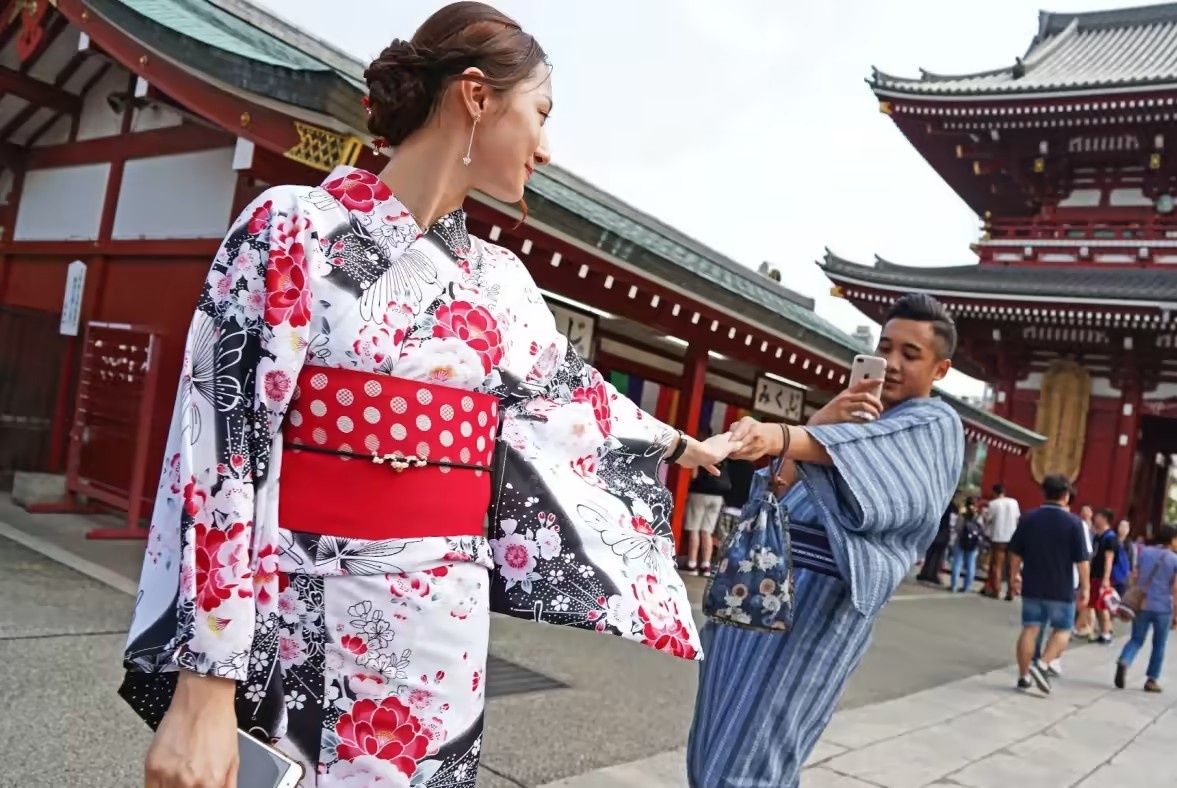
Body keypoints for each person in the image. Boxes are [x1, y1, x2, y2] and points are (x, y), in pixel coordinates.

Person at [120, 6, 739, 787]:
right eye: (540, 115)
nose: (546, 149)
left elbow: (573, 401)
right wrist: (204, 684)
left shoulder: (499, 281)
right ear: (476, 97)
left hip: (443, 622)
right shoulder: (293, 229)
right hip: (301, 613)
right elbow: (221, 450)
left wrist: (691, 446)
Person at [685, 293, 963, 787]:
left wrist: (787, 436)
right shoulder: (846, 425)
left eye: (910, 354)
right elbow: (776, 489)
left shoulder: (934, 424)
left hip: (818, 599)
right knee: (714, 745)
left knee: (755, 755)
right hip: (756, 585)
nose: (892, 364)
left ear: (940, 369)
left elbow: (875, 465)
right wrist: (819, 424)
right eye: (886, 348)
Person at [1008, 474, 1091, 694]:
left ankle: (1023, 676)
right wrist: (1085, 587)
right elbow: (1082, 560)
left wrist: (1014, 576)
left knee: (1030, 628)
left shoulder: (1029, 518)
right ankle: (1043, 664)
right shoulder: (1075, 523)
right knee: (1063, 629)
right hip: (1060, 586)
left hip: (1032, 582)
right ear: (1066, 495)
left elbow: (1015, 553)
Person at [1115, 526, 1177, 693]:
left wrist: (1133, 593)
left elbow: (1133, 576)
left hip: (1142, 605)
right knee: (1159, 644)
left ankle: (1125, 660)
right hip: (1163, 608)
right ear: (1172, 538)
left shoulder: (1145, 552)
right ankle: (1151, 680)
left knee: (1136, 639)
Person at [683, 428, 732, 576]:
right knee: (707, 531)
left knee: (694, 529)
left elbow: (694, 474)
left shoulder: (700, 448)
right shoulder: (721, 453)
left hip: (700, 493)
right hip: (717, 496)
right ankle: (705, 565)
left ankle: (692, 564)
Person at [983, 483, 1020, 600]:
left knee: (997, 565)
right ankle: (1010, 591)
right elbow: (1017, 518)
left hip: (998, 537)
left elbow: (988, 520)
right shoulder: (1014, 502)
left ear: (994, 493)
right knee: (1011, 566)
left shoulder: (993, 504)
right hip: (1012, 537)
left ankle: (997, 590)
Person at [1089, 508, 1119, 643]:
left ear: (1104, 519)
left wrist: (1106, 579)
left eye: (1098, 516)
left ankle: (1106, 633)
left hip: (1102, 576)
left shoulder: (1110, 538)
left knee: (1102, 605)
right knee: (1097, 605)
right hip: (1094, 574)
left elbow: (1109, 559)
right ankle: (1103, 631)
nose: (1095, 518)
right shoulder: (1098, 536)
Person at [949, 498, 984, 593]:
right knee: (971, 565)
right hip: (973, 544)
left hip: (960, 541)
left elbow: (957, 528)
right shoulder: (978, 517)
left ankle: (954, 585)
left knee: (957, 563)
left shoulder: (962, 515)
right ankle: (967, 587)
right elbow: (981, 530)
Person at [1073, 503, 1096, 639]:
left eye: (1088, 510)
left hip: (1086, 565)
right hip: (1080, 564)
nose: (1085, 512)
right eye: (1083, 510)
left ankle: (1087, 626)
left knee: (1085, 598)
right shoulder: (1078, 524)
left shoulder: (1092, 529)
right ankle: (1086, 625)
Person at [1111, 518, 1134, 597]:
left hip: (1124, 578)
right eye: (1122, 526)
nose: (1124, 529)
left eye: (1126, 527)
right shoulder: (1112, 541)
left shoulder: (1130, 545)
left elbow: (1131, 562)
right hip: (1112, 576)